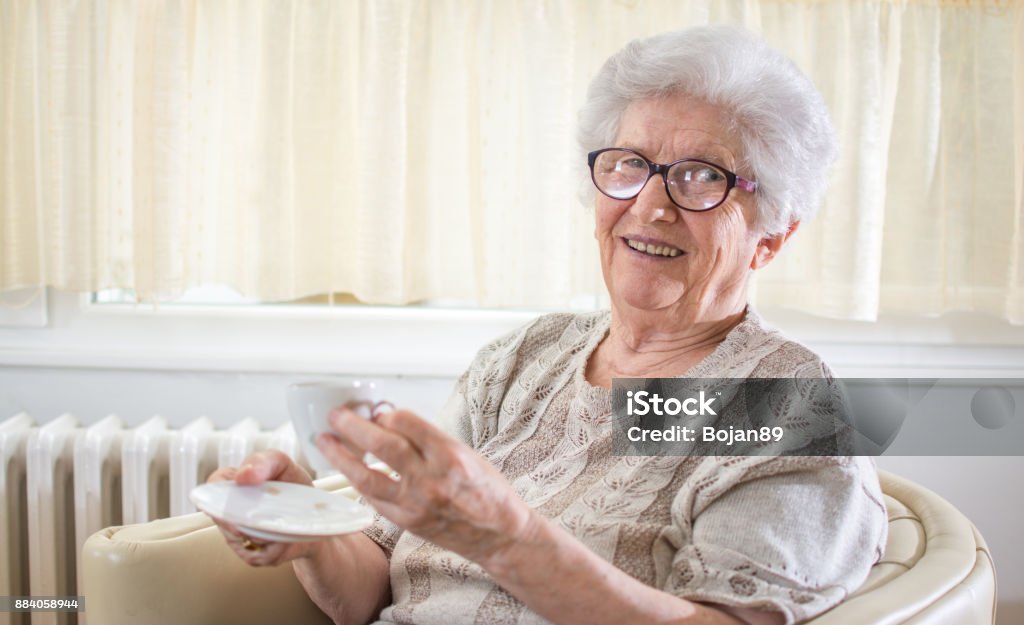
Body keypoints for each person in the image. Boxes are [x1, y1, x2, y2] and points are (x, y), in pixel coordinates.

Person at [210, 25, 888, 625]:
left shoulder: (786, 400)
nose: (650, 205)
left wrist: (504, 539)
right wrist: (306, 529)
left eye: (701, 176)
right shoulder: (525, 357)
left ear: (772, 234)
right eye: (629, 166)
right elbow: (372, 589)